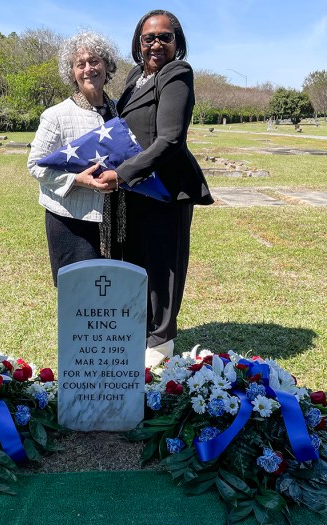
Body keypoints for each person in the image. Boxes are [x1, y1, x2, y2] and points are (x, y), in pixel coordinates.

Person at [98, 10, 213, 365]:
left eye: (165, 37)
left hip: (164, 188)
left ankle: (161, 341)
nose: (156, 44)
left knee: (163, 263)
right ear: (138, 42)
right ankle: (138, 329)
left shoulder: (177, 73)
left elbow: (170, 140)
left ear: (177, 43)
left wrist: (121, 174)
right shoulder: (135, 77)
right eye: (149, 38)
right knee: (135, 260)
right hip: (134, 190)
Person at [27, 31, 120, 286]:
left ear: (107, 65)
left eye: (94, 61)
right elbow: (35, 165)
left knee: (111, 295)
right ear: (72, 72)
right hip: (71, 222)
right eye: (80, 64)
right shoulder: (56, 115)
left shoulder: (119, 111)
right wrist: (77, 180)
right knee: (77, 300)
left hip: (116, 223)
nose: (88, 69)